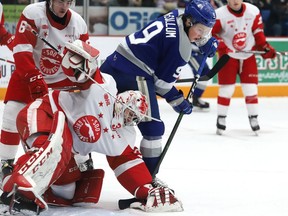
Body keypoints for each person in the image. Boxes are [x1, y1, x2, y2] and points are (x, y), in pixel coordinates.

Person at [1, 40, 183, 214]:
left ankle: (35, 189)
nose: (129, 117)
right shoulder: (106, 86)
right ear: (123, 98)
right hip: (43, 114)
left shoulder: (122, 137)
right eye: (130, 110)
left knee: (67, 191)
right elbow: (86, 71)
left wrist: (147, 190)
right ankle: (11, 188)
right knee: (52, 151)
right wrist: (82, 60)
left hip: (63, 136)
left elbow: (129, 165)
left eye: (134, 117)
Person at [100, 0, 218, 175]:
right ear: (189, 22)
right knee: (153, 129)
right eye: (200, 30)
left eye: (207, 31)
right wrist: (180, 102)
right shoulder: (182, 49)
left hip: (113, 62)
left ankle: (78, 163)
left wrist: (202, 40)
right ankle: (149, 181)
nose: (202, 35)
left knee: (94, 115)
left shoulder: (177, 14)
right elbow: (162, 85)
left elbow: (168, 46)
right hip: (134, 74)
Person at [0, 0, 91, 183]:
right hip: (28, 74)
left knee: (76, 120)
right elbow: (21, 51)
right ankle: (5, 164)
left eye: (68, 2)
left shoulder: (79, 23)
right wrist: (34, 78)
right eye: (59, 1)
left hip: (61, 81)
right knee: (11, 114)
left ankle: (84, 163)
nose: (64, 6)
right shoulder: (33, 13)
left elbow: (85, 59)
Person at [211, 0, 277, 135]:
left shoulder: (253, 11)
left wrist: (265, 48)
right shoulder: (219, 14)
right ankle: (221, 118)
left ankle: (254, 118)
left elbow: (258, 34)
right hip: (228, 56)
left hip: (248, 55)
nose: (235, 1)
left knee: (251, 88)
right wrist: (223, 46)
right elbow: (211, 35)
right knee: (227, 90)